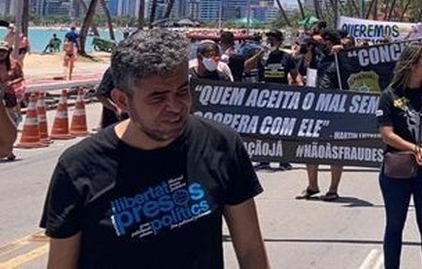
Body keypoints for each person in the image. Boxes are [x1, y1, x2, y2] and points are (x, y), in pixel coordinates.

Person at [39, 29, 268, 268]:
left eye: (182, 91)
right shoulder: (78, 166)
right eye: (157, 97)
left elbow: (250, 249)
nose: (175, 107)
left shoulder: (221, 144)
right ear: (121, 101)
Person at [377, 43, 422, 269]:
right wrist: (416, 149)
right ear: (412, 64)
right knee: (395, 226)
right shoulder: (389, 96)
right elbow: (387, 135)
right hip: (397, 172)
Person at [299, 29, 346, 201]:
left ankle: (333, 189)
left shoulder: (341, 57)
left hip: (336, 108)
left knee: (335, 148)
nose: (323, 45)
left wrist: (343, 52)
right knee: (311, 147)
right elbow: (308, 75)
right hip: (315, 106)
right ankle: (312, 186)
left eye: (326, 41)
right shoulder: (317, 58)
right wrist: (309, 53)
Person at [247, 31, 296, 170]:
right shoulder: (262, 57)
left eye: (273, 40)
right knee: (263, 128)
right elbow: (246, 67)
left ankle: (283, 160)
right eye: (268, 39)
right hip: (263, 98)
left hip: (282, 98)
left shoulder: (286, 57)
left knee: (282, 129)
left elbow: (294, 75)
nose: (270, 42)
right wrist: (259, 54)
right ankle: (264, 159)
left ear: (280, 42)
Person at [1, 40, 22, 162]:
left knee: (12, 118)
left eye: (3, 52)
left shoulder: (13, 64)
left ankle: (9, 148)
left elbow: (20, 78)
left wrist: (9, 84)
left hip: (8, 95)